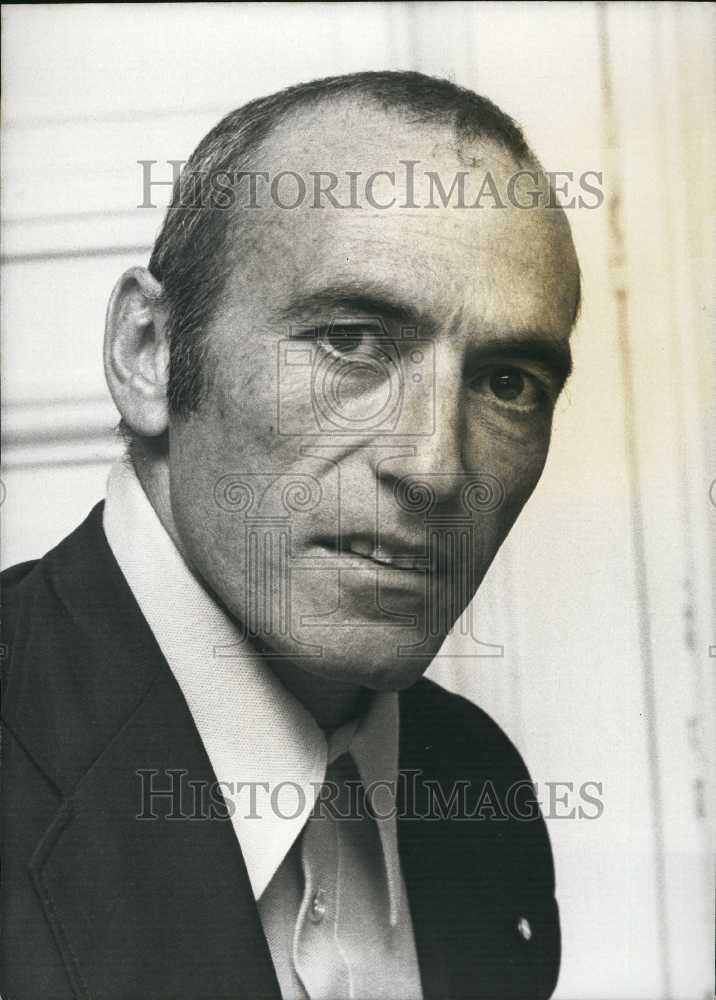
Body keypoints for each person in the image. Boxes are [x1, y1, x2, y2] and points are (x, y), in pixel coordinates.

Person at [1, 71, 580, 1000]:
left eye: (508, 383)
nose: (435, 469)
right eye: (353, 340)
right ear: (148, 353)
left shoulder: (476, 781)